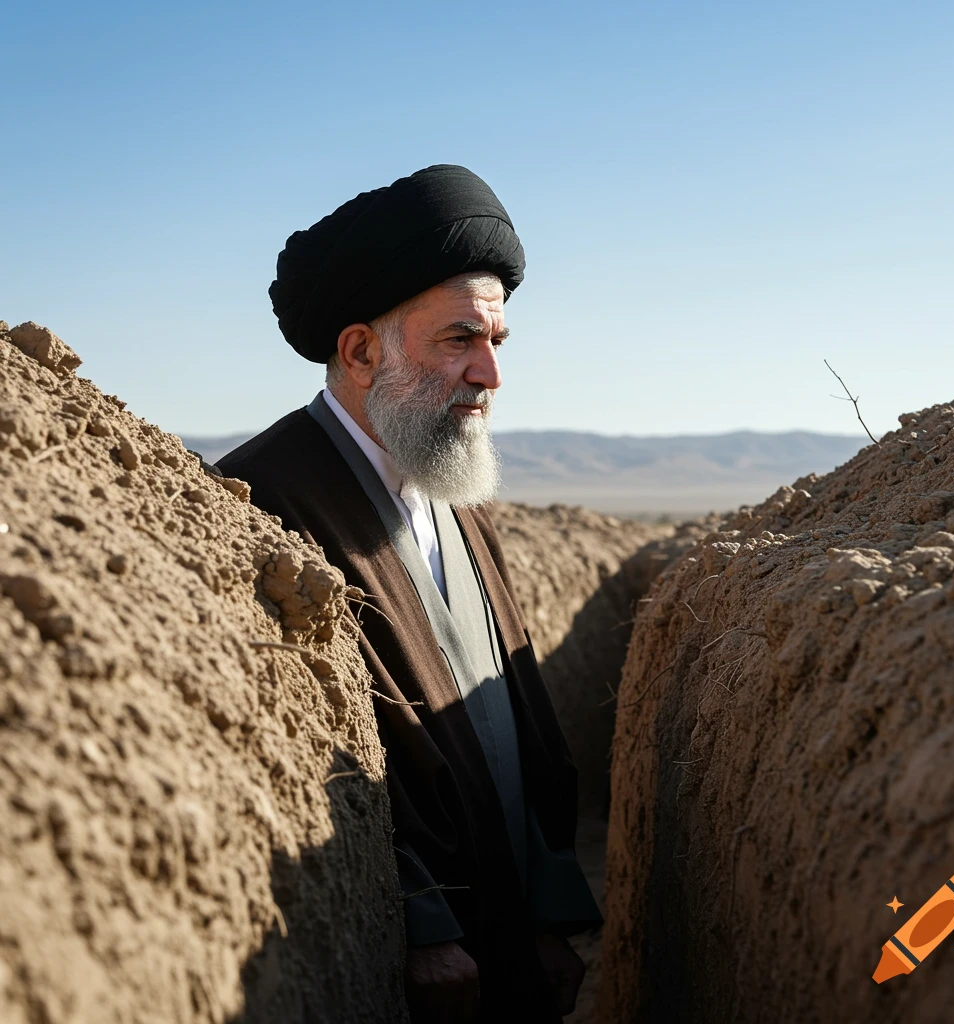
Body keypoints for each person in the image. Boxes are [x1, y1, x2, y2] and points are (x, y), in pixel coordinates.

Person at [219, 164, 601, 1022]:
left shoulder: (450, 488)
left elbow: (522, 717)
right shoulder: (260, 503)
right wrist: (422, 923)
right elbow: (309, 748)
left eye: (498, 342)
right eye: (459, 339)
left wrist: (548, 911)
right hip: (417, 964)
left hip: (502, 935)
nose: (489, 375)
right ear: (360, 352)